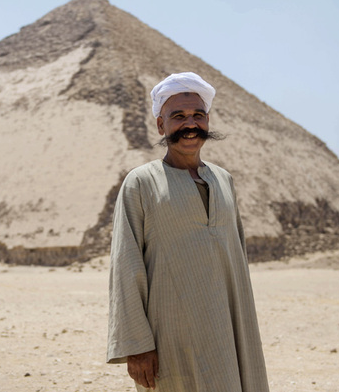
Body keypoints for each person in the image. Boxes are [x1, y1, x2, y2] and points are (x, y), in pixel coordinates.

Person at [106, 72, 269, 391]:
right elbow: (126, 267)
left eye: (198, 115)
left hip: (229, 328)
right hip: (172, 339)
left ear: (208, 120)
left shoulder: (224, 180)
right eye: (178, 116)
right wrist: (136, 345)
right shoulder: (141, 183)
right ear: (160, 125)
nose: (190, 124)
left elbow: (238, 261)